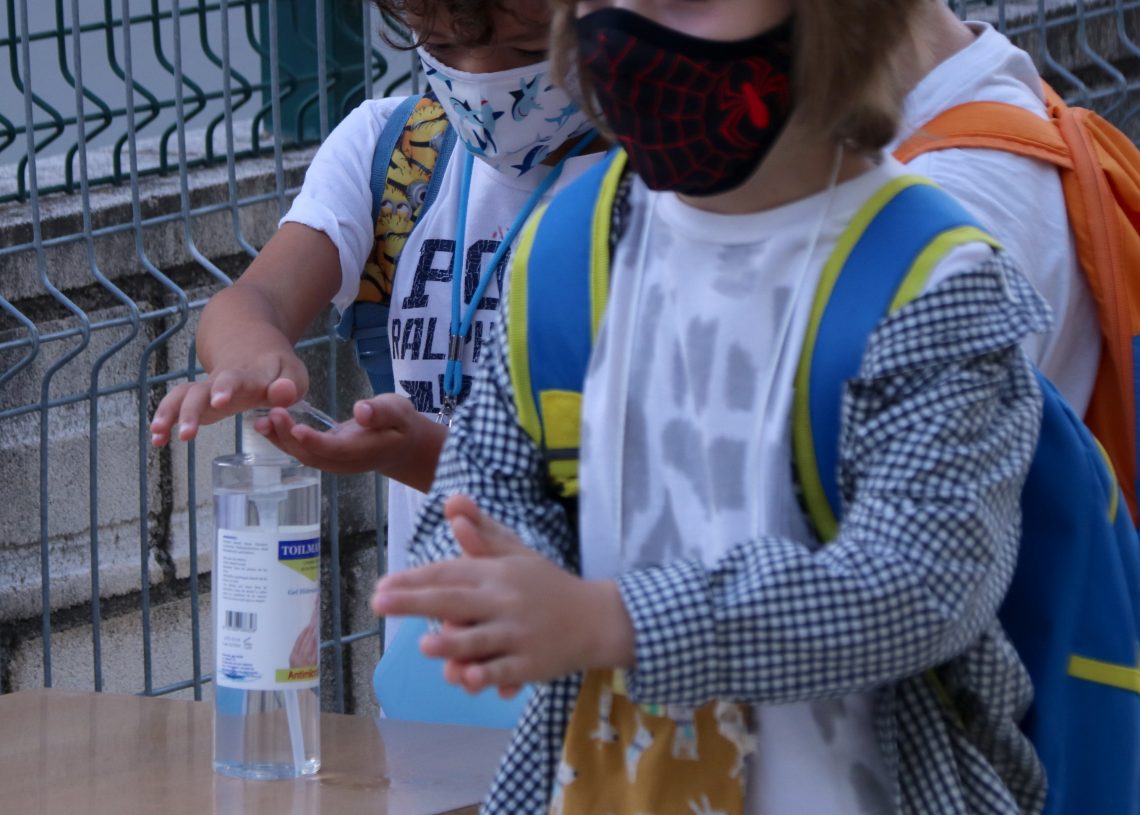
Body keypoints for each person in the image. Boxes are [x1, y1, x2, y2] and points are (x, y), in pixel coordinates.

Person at [370, 0, 1051, 813]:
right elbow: (482, 490)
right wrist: (486, 582)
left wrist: (618, 621)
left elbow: (918, 586)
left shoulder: (932, 280)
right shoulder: (562, 253)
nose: (627, 30)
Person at [148, 0, 605, 641]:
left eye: (527, 53)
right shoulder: (394, 152)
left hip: (592, 641)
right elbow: (257, 297)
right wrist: (249, 352)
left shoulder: (656, 193)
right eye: (441, 50)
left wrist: (427, 456)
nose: (480, 80)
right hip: (428, 655)